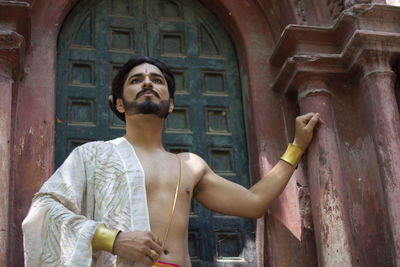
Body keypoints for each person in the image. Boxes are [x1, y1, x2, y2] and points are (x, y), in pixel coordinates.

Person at [22, 56, 321, 267]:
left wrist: (296, 147)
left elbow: (255, 202)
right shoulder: (93, 155)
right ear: (120, 104)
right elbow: (43, 210)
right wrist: (113, 240)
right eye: (136, 80)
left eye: (157, 80)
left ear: (171, 103)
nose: (148, 82)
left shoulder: (189, 165)